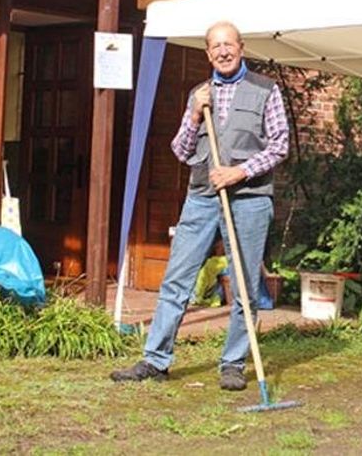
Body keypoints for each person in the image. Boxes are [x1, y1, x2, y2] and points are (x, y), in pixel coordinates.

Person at [111, 21, 289, 391]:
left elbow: (279, 145)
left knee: (244, 285)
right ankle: (155, 361)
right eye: (215, 47)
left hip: (250, 199)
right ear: (208, 53)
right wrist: (194, 114)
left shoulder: (265, 90)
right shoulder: (199, 94)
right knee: (177, 278)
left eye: (229, 45)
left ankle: (233, 364)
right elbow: (180, 150)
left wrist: (239, 172)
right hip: (202, 197)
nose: (223, 52)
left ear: (241, 47)